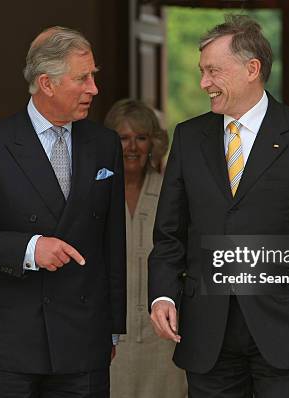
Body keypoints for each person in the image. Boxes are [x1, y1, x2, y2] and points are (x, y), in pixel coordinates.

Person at [148, 15, 289, 398]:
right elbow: (170, 232)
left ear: (252, 69)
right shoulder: (189, 137)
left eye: (213, 71)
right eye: (201, 71)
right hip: (208, 332)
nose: (204, 83)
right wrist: (162, 295)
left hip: (285, 328)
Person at [0, 26, 126, 398]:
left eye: (94, 76)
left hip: (83, 341)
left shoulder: (105, 144)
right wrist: (30, 249)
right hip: (10, 344)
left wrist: (112, 328)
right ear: (47, 83)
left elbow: (113, 242)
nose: (94, 88)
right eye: (83, 78)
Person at [104, 99, 187, 398]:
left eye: (141, 137)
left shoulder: (173, 192)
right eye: (123, 138)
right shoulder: (95, 194)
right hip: (109, 339)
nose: (132, 147)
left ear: (154, 142)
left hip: (163, 339)